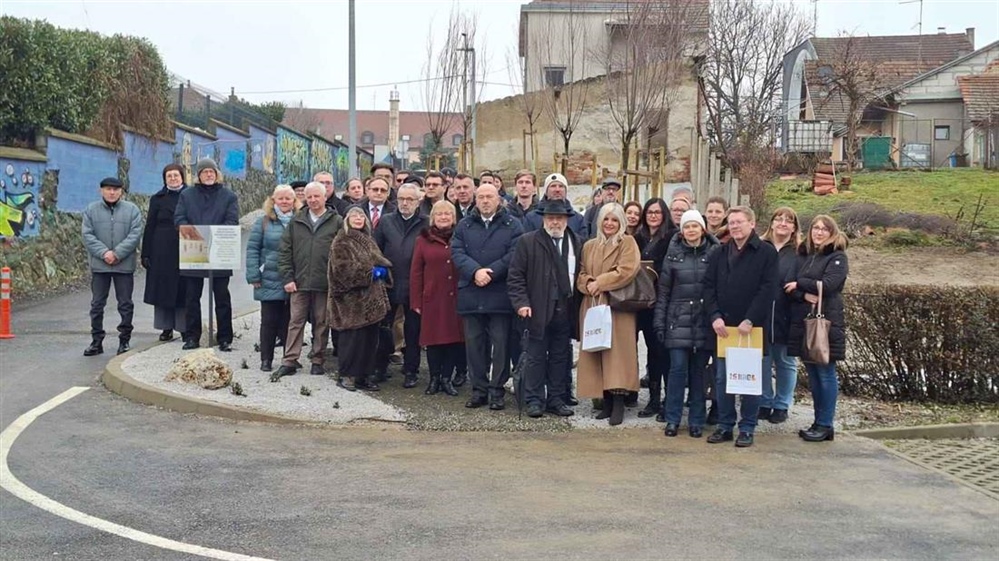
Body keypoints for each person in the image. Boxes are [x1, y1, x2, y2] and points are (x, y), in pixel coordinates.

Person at [702, 206, 779, 448]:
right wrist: (714, 316)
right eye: (731, 222)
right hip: (723, 328)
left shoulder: (766, 253)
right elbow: (708, 287)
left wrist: (750, 319)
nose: (735, 226)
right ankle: (725, 426)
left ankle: (747, 427)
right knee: (723, 378)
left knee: (749, 380)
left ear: (752, 224)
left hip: (751, 329)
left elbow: (768, 289)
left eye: (739, 222)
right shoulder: (719, 252)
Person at [451, 184, 524, 410]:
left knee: (500, 345)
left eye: (489, 196)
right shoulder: (464, 225)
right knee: (474, 346)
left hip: (499, 293)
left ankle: (496, 391)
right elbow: (456, 252)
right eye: (481, 197)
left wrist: (490, 272)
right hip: (471, 293)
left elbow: (515, 253)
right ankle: (479, 390)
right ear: (475, 199)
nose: (485, 201)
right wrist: (475, 271)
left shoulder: (513, 224)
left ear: (498, 199)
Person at [508, 199, 581, 418]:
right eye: (551, 218)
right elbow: (515, 277)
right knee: (535, 358)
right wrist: (521, 303)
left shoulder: (576, 241)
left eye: (559, 218)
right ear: (543, 219)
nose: (555, 222)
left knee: (560, 357)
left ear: (567, 220)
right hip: (537, 310)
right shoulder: (527, 242)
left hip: (565, 309)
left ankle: (556, 399)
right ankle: (534, 399)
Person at [654, 210, 721, 438]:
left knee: (698, 373)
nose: (691, 230)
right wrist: (660, 323)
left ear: (702, 228)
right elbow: (663, 292)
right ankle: (673, 419)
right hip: (678, 320)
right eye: (687, 227)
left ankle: (696, 420)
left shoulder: (715, 253)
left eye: (695, 226)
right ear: (682, 231)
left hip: (703, 320)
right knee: (677, 371)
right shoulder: (673, 255)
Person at [271, 182, 344, 381]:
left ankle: (317, 359)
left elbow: (342, 252)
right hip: (299, 281)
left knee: (322, 322)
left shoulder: (337, 221)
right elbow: (285, 251)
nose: (312, 200)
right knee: (295, 322)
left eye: (316, 196)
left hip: (324, 282)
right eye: (309, 197)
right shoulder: (297, 221)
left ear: (325, 198)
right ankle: (290, 360)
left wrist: (336, 279)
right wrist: (287, 277)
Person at [576, 203, 641, 426]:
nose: (610, 224)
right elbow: (581, 273)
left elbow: (626, 270)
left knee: (618, 354)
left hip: (617, 306)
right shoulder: (589, 246)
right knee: (597, 351)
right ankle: (604, 401)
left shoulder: (627, 243)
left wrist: (601, 283)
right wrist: (588, 284)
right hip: (593, 303)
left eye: (614, 220)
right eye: (606, 219)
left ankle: (619, 403)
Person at [786, 215, 849, 442]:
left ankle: (825, 423)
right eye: (816, 228)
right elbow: (789, 286)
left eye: (824, 229)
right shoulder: (805, 256)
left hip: (826, 322)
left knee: (825, 373)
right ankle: (818, 421)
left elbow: (831, 285)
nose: (819, 232)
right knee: (813, 374)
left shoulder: (837, 256)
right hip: (806, 321)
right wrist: (803, 293)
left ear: (832, 232)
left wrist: (801, 284)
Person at [174, 157, 239, 351]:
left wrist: (214, 235)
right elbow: (179, 218)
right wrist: (196, 233)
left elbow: (232, 221)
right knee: (192, 296)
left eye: (212, 171)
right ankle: (192, 336)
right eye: (204, 172)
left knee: (221, 296)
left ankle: (225, 337)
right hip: (194, 246)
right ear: (199, 175)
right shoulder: (187, 195)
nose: (208, 174)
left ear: (217, 174)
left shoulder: (229, 196)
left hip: (220, 249)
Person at [328, 206, 393, 392]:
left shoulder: (368, 239)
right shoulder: (342, 241)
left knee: (370, 341)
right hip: (351, 301)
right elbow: (341, 270)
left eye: (361, 215)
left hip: (371, 300)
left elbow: (380, 260)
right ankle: (347, 375)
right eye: (354, 215)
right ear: (346, 219)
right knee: (352, 341)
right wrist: (369, 273)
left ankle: (364, 376)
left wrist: (383, 271)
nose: (358, 218)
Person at [373, 183, 428, 388]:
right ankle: (380, 367)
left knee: (413, 330)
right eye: (402, 199)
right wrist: (378, 272)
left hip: (415, 285)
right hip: (389, 283)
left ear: (418, 201)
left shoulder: (426, 223)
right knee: (383, 327)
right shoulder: (386, 221)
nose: (405, 203)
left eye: (410, 199)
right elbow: (375, 249)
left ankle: (411, 370)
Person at [82, 177, 143, 356]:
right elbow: (87, 235)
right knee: (97, 304)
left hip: (123, 265)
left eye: (115, 190)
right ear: (101, 190)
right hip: (100, 266)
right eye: (108, 189)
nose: (112, 192)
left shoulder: (132, 210)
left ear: (121, 192)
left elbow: (135, 234)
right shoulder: (91, 210)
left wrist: (117, 253)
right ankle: (96, 341)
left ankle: (124, 340)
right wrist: (104, 253)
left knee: (125, 304)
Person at [410, 200, 464, 396]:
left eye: (447, 214)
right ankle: (433, 378)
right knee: (433, 340)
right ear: (433, 217)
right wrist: (415, 300)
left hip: (455, 297)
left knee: (452, 340)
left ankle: (446, 378)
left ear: (453, 218)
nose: (443, 217)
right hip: (432, 297)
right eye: (439, 214)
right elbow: (416, 272)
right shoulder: (422, 240)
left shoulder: (460, 237)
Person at [246, 185, 301, 372]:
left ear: (294, 201)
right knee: (268, 321)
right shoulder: (264, 222)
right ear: (273, 200)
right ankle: (266, 359)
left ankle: (289, 358)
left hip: (294, 278)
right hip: (269, 277)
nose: (285, 202)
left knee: (290, 321)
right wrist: (253, 275)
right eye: (281, 198)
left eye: (288, 198)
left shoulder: (300, 221)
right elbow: (253, 249)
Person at [759, 207, 802, 424]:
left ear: (794, 227)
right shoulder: (759, 246)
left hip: (788, 313)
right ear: (772, 223)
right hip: (762, 314)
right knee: (762, 360)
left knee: (786, 361)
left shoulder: (799, 252)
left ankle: (782, 403)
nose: (783, 223)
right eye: (779, 219)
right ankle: (764, 400)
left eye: (788, 221)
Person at [634, 197, 672, 419]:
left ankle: (668, 399)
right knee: (650, 351)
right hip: (641, 301)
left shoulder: (671, 237)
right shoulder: (637, 238)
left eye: (657, 212)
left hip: (662, 301)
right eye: (650, 212)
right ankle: (653, 398)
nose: (653, 216)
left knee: (662, 351)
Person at [141, 164, 187, 342]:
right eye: (169, 176)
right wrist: (146, 253)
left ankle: (183, 327)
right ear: (164, 179)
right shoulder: (157, 199)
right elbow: (149, 226)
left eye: (176, 175)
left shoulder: (190, 196)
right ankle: (166, 327)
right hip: (161, 248)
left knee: (183, 289)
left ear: (182, 177)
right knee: (162, 289)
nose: (173, 179)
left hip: (185, 246)